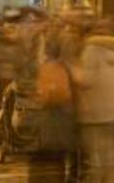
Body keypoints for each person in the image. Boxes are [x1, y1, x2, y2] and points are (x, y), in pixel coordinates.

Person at [73, 22, 114, 183]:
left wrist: (74, 72)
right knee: (109, 149)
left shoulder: (92, 51)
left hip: (94, 108)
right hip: (113, 107)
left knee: (94, 151)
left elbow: (87, 80)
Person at [36, 37, 76, 179]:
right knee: (67, 151)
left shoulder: (46, 68)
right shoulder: (66, 67)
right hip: (67, 113)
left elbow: (45, 95)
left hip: (51, 114)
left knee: (54, 157)